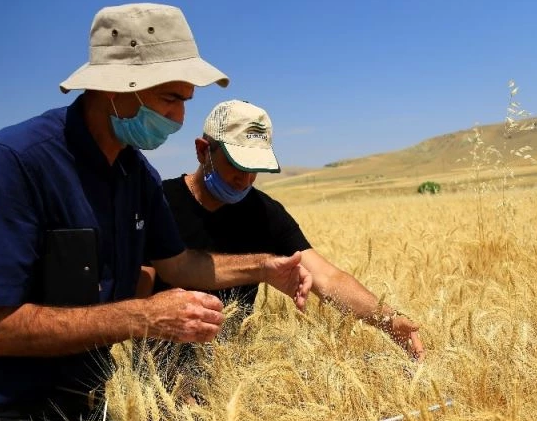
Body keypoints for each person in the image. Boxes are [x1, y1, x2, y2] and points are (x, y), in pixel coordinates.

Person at [0, 5, 311, 421]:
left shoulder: (133, 173)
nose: (178, 119)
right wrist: (143, 317)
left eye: (184, 101)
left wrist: (265, 269)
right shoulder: (14, 163)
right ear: (117, 88)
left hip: (92, 409)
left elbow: (178, 263)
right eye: (169, 99)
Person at [142, 100, 424, 360]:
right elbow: (138, 297)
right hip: (158, 370)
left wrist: (388, 319)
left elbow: (327, 278)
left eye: (255, 168)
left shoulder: (265, 213)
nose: (246, 180)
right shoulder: (158, 203)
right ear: (203, 151)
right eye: (237, 165)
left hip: (229, 369)